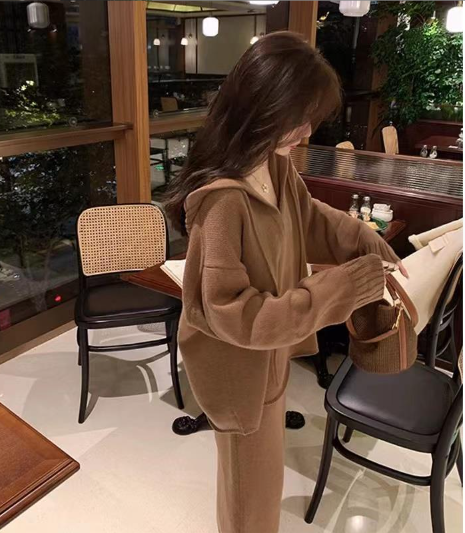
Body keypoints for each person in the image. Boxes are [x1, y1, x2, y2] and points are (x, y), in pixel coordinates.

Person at [164, 31, 408, 533]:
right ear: (263, 108)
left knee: (263, 488)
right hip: (238, 372)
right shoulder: (222, 202)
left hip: (269, 357)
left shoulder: (273, 166)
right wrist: (344, 288)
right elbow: (236, 315)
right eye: (299, 117)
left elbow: (309, 218)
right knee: (249, 502)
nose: (307, 130)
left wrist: (364, 239)